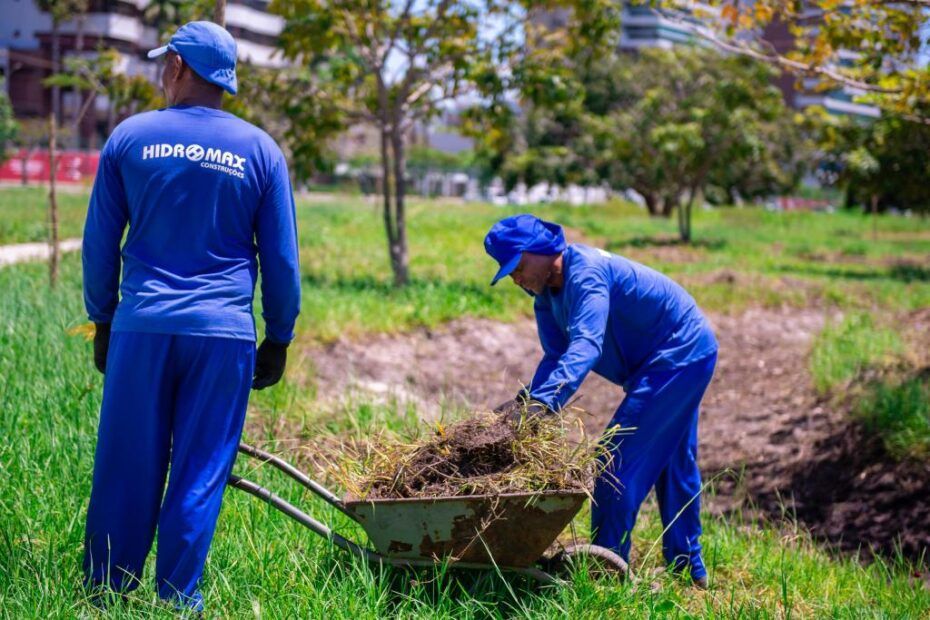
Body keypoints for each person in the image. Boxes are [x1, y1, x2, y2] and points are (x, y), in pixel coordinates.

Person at [81, 21, 300, 611]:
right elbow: (281, 259)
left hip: (142, 328)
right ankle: (178, 600)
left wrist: (103, 320)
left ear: (177, 67)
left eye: (165, 63)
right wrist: (278, 336)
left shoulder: (130, 138)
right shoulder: (261, 150)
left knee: (127, 465)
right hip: (223, 337)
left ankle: (106, 594)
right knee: (200, 471)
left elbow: (99, 245)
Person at [484, 214, 717, 587]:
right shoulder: (546, 297)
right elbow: (555, 356)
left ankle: (605, 576)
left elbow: (586, 346)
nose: (516, 278)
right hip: (662, 361)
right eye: (509, 272)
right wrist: (527, 402)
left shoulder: (586, 274)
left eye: (519, 266)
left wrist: (545, 405)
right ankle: (689, 570)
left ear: (541, 250)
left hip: (680, 354)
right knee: (673, 462)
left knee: (613, 465)